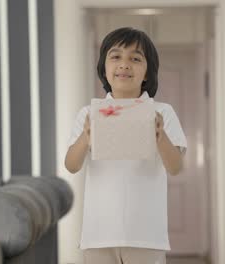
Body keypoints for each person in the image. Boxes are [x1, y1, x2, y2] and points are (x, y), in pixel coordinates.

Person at [64, 27, 187, 264]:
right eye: (116, 56)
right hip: (98, 234)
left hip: (146, 235)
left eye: (135, 58)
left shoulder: (162, 112)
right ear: (104, 68)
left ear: (148, 73)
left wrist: (160, 137)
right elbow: (71, 165)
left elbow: (175, 167)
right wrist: (86, 137)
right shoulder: (89, 113)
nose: (124, 64)